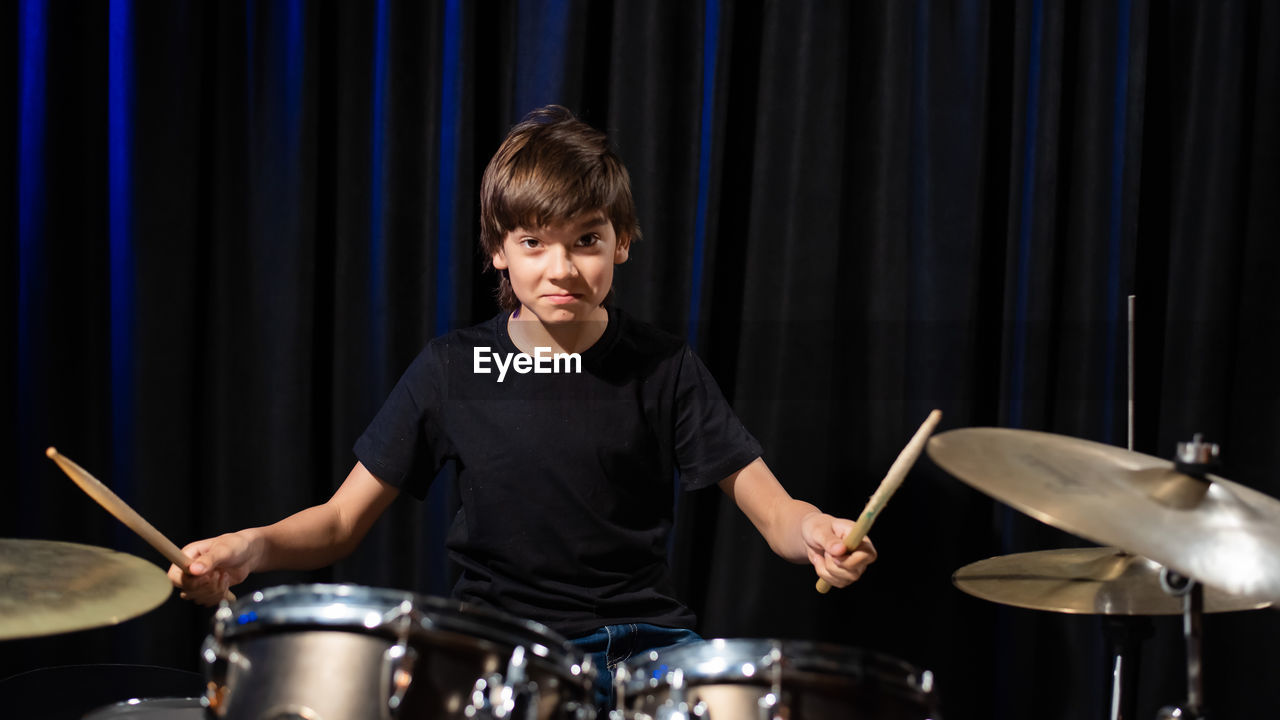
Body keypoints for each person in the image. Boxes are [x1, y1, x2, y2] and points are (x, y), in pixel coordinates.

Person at [170, 105, 876, 711]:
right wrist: (247, 549)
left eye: (586, 241)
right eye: (533, 242)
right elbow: (339, 522)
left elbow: (772, 511)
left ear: (622, 242)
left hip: (648, 650)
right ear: (498, 251)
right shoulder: (453, 369)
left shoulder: (665, 368)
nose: (560, 268)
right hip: (503, 657)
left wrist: (817, 529)